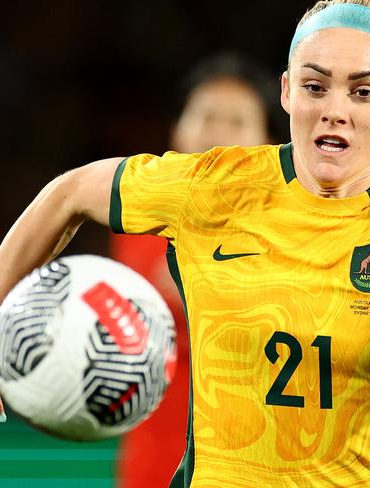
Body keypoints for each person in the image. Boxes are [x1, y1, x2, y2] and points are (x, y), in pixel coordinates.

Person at [0, 0, 370, 486]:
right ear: (285, 92)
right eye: (315, 85)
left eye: (363, 91)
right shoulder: (216, 186)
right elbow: (68, 192)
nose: (334, 110)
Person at [110, 52, 280, 487]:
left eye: (238, 121)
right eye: (205, 116)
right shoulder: (135, 224)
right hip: (154, 467)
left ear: (270, 144)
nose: (218, 133)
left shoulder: (292, 232)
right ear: (177, 130)